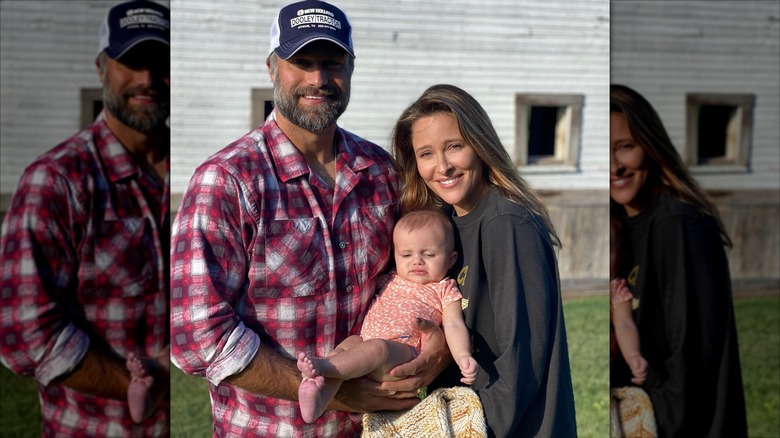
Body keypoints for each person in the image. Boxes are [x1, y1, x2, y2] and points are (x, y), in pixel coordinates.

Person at [169, 2, 450, 436]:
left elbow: (420, 277)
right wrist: (334, 390)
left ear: (351, 68)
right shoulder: (228, 180)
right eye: (301, 62)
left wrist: (439, 350)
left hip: (378, 428)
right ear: (271, 68)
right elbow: (196, 337)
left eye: (332, 62)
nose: (318, 78)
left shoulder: (380, 173)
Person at [0, 1, 170, 436]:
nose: (147, 79)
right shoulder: (57, 180)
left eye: (159, 62)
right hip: (94, 427)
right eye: (131, 62)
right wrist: (140, 384)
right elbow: (23, 333)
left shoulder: (202, 174)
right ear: (101, 69)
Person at [392, 84, 577, 437]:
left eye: (454, 146)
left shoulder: (506, 222)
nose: (442, 166)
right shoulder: (444, 227)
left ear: (479, 144)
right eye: (426, 153)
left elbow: (520, 359)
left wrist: (475, 432)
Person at [609, 83, 747, 437]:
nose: (614, 166)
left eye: (625, 147)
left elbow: (691, 366)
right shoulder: (619, 225)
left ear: (650, 147)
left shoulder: (678, 224)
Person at [296, 209, 478, 423]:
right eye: (407, 255)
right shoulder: (390, 278)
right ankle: (317, 401)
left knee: (377, 348)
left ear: (450, 259)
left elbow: (454, 325)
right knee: (348, 346)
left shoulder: (444, 289)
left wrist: (463, 356)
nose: (417, 261)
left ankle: (323, 366)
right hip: (365, 347)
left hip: (402, 353)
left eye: (429, 254)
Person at [610, 216, 648, 386]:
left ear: (619, 255)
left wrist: (634, 355)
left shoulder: (616, 289)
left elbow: (624, 323)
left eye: (609, 250)